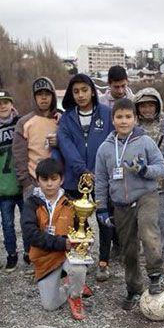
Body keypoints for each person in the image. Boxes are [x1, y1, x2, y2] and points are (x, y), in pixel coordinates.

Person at [95, 98, 164, 310]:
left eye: (128, 117)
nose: (124, 121)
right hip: (120, 203)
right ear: (113, 119)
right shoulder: (105, 149)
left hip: (146, 196)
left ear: (135, 119)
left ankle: (155, 274)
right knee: (128, 248)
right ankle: (134, 288)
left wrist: (145, 170)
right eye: (119, 117)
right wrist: (101, 207)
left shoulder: (145, 142)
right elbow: (100, 179)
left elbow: (161, 168)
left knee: (148, 232)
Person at [56, 73, 115, 281]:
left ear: (92, 91)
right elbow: (65, 145)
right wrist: (82, 169)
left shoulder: (106, 114)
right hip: (75, 177)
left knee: (104, 217)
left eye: (84, 90)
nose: (80, 95)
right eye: (76, 91)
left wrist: (98, 169)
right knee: (78, 219)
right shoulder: (67, 117)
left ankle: (104, 261)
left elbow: (111, 141)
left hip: (101, 176)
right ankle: (84, 254)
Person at [21, 158, 93, 320]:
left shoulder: (72, 203)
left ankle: (75, 296)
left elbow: (83, 232)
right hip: (45, 259)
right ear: (37, 180)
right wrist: (63, 243)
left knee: (78, 265)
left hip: (67, 256)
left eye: (54, 179)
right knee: (49, 306)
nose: (49, 184)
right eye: (45, 179)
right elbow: (30, 234)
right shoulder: (31, 204)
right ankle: (70, 286)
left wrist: (84, 244)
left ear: (62, 179)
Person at [0, 90, 28, 273]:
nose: (3, 106)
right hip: (4, 186)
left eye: (5, 102)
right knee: (8, 224)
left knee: (27, 221)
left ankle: (30, 253)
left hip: (23, 182)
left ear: (12, 104)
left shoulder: (22, 123)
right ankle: (11, 255)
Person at [133, 87, 164, 273]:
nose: (147, 109)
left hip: (163, 181)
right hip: (141, 184)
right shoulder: (133, 126)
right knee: (146, 222)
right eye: (143, 105)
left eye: (151, 104)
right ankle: (150, 253)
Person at [13, 77, 61, 200]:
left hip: (60, 183)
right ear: (34, 98)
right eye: (39, 94)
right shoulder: (24, 123)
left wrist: (59, 142)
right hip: (34, 184)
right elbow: (19, 156)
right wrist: (26, 183)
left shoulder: (62, 119)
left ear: (53, 96)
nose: (43, 98)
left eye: (47, 94)